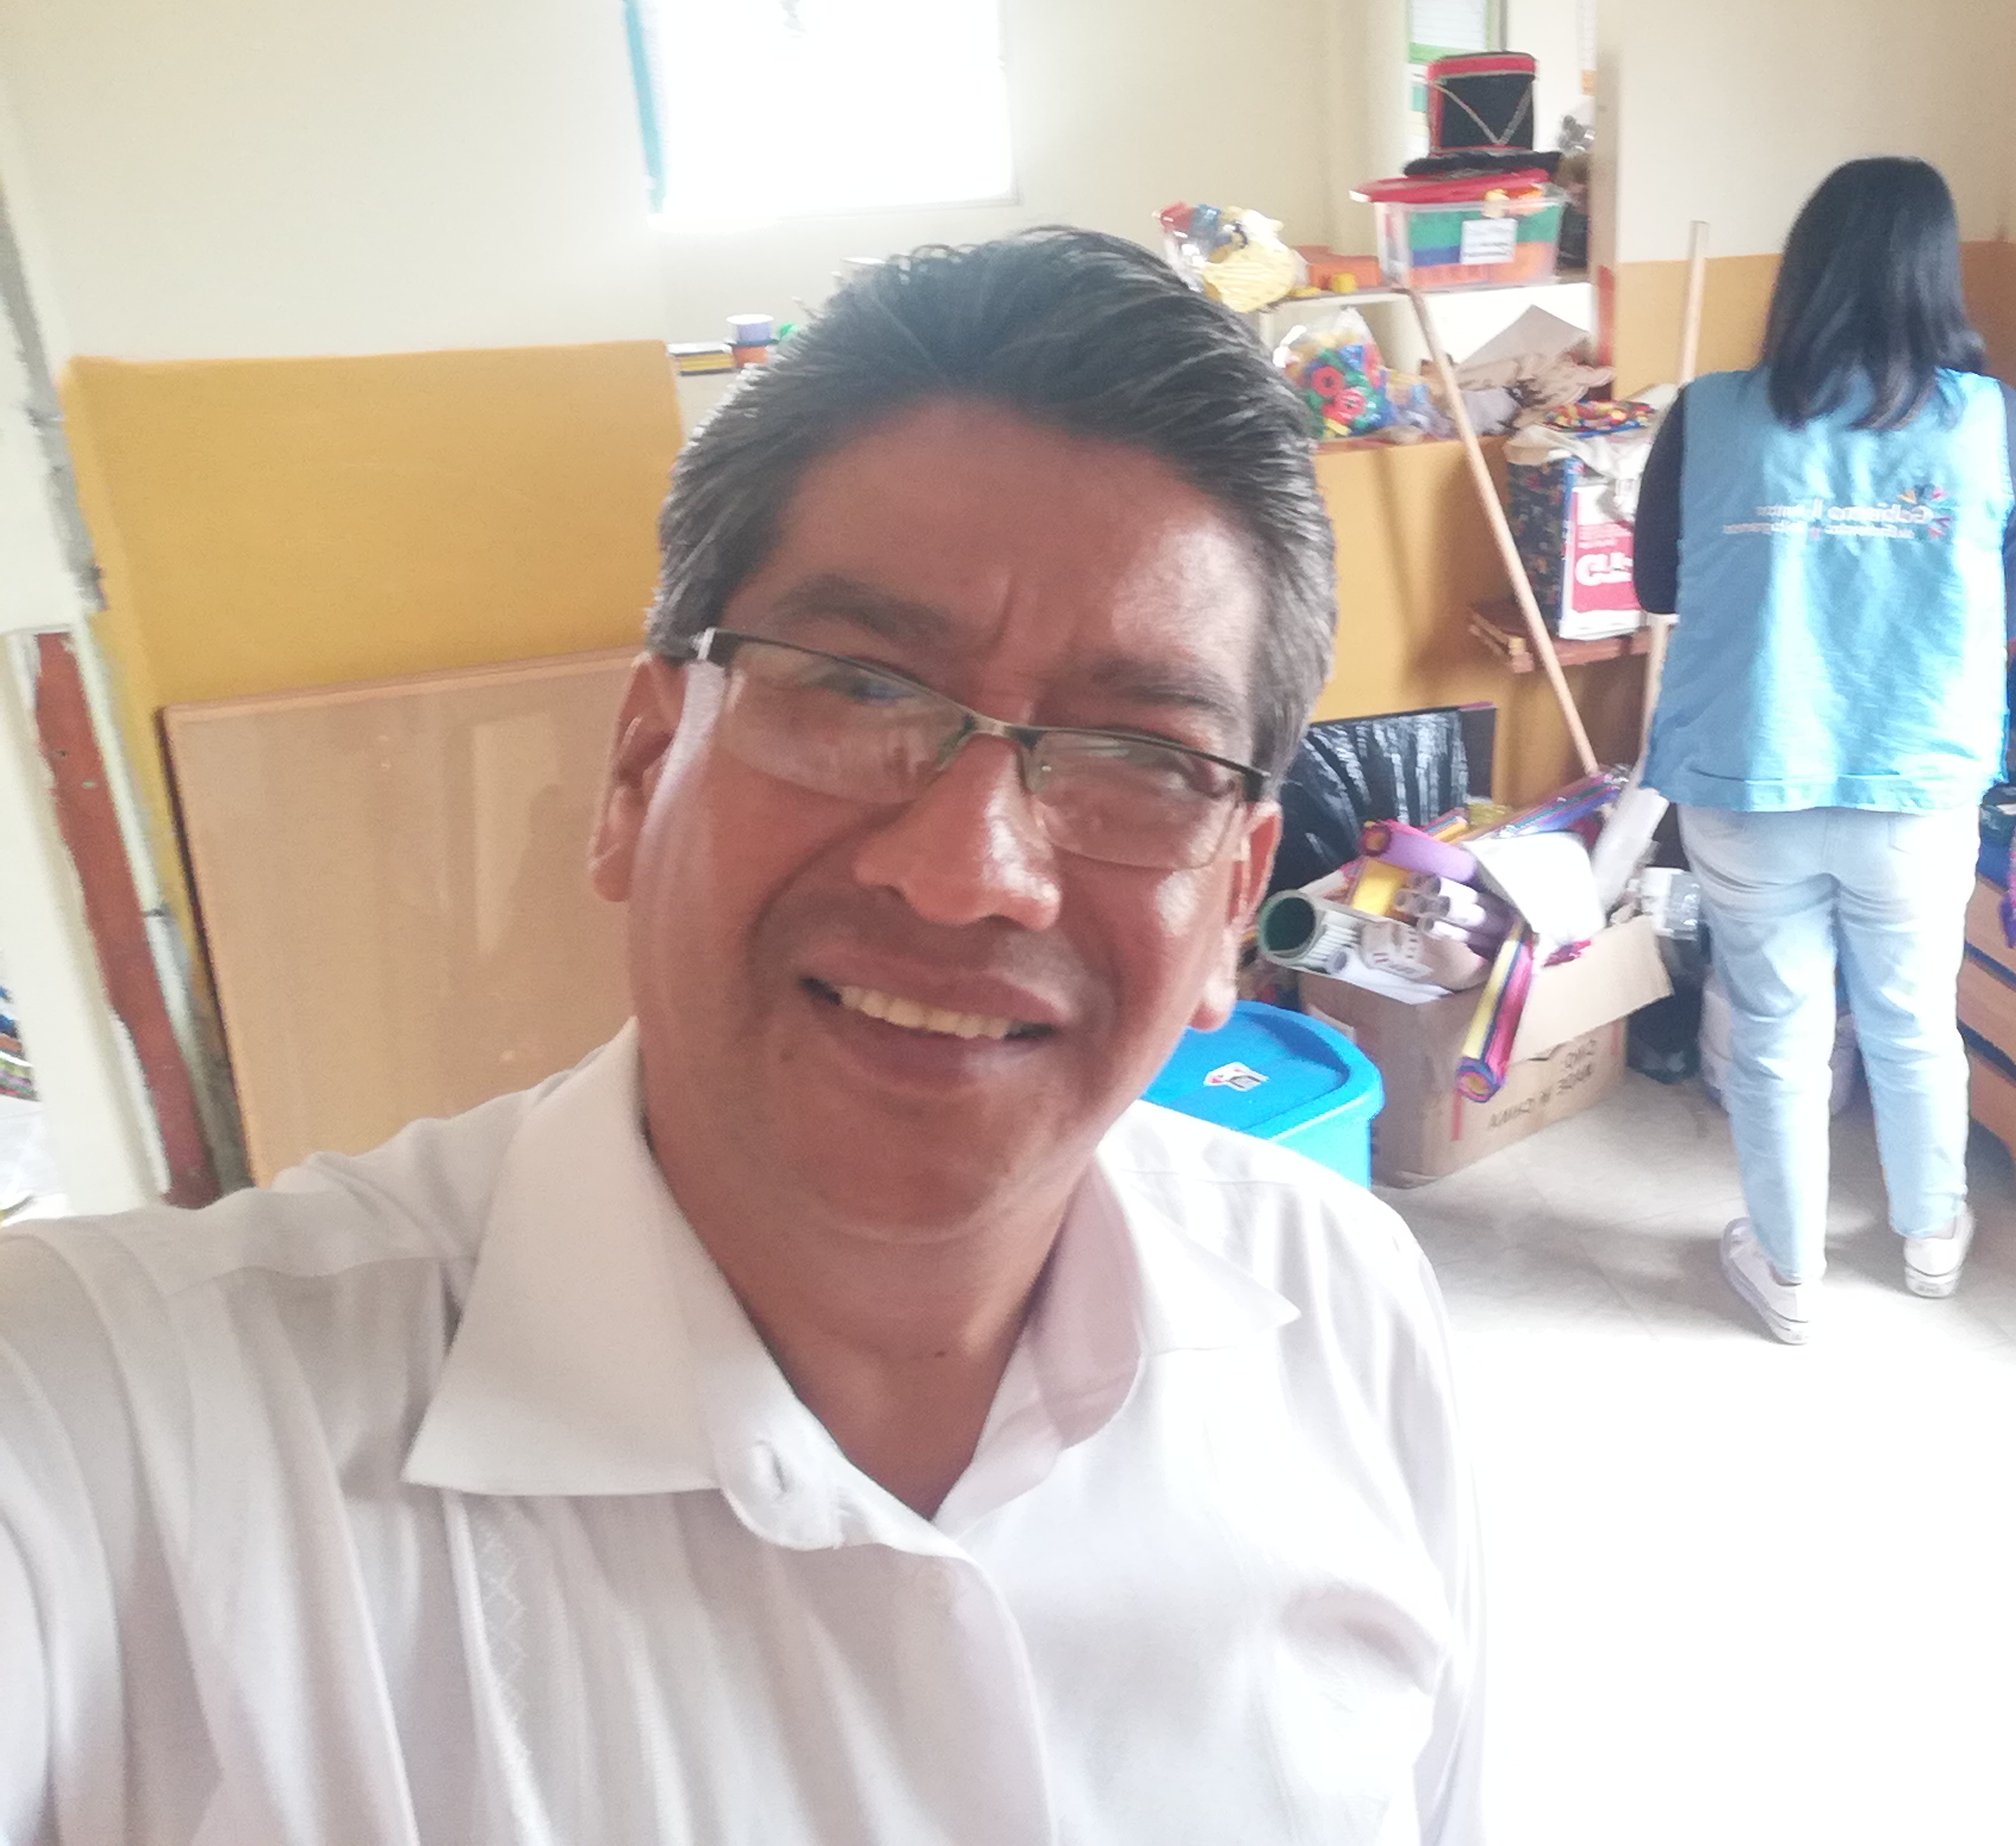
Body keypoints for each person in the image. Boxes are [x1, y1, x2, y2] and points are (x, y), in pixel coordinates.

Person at [0, 231, 1483, 1841]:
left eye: (1141, 757)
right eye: (860, 690)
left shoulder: (1344, 1310)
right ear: (640, 771)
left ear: (1236, 897)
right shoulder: (115, 1435)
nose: (969, 870)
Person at [1633, 157, 2016, 1341]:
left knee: (1776, 1030)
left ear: (1803, 267)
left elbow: (1658, 583)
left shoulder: (1710, 413)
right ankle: (1932, 1238)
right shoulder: (1996, 424)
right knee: (1914, 1017)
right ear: (1939, 273)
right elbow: (2009, 609)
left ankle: (1789, 1273)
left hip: (1747, 769)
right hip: (1915, 779)